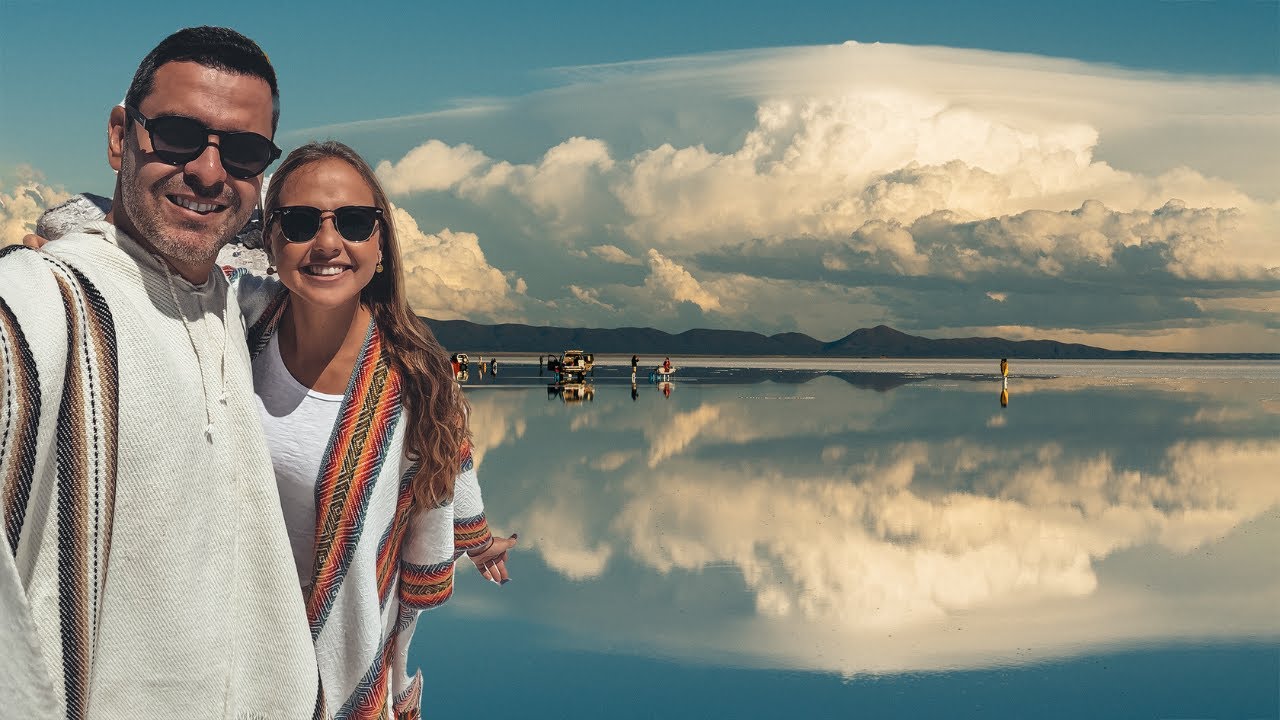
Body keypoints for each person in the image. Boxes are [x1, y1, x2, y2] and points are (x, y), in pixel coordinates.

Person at [0, 27, 321, 718]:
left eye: (241, 151)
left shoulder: (234, 308)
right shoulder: (49, 300)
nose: (208, 171)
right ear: (121, 136)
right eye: (176, 134)